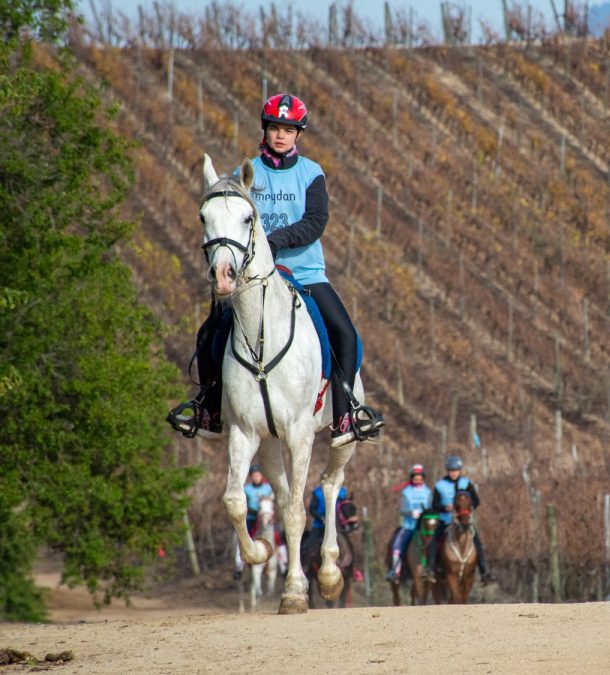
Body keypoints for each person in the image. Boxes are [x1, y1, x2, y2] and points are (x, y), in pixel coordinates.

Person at [167, 93, 384, 448]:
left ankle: (346, 416)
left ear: (299, 133)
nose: (280, 135)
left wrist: (275, 240)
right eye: (274, 128)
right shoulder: (244, 174)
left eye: (288, 129)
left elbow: (315, 221)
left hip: (306, 273)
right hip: (252, 279)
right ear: (264, 130)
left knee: (345, 335)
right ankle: (208, 408)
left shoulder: (311, 173)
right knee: (209, 335)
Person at [427, 455, 494, 583]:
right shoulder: (440, 485)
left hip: (464, 522)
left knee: (477, 542)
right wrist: (444, 507)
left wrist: (467, 508)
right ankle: (430, 570)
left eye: (456, 470)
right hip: (445, 521)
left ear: (460, 471)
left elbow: (476, 501)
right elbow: (434, 505)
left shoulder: (467, 483)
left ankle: (484, 572)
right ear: (447, 471)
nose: (454, 473)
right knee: (434, 541)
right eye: (451, 470)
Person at [386, 464, 433, 582]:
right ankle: (395, 571)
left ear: (423, 477)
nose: (418, 478)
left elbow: (431, 508)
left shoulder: (428, 492)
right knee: (397, 544)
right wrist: (411, 512)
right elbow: (402, 509)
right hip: (409, 526)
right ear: (412, 477)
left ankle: (432, 569)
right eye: (415, 476)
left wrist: (425, 514)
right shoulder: (406, 492)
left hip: (424, 527)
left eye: (420, 476)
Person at [243, 464, 274, 536]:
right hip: (251, 517)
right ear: (251, 477)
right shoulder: (246, 489)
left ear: (261, 475)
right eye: (254, 476)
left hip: (265, 516)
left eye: (258, 475)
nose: (256, 478)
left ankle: (281, 547)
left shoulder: (268, 488)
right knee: (246, 535)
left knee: (276, 536)